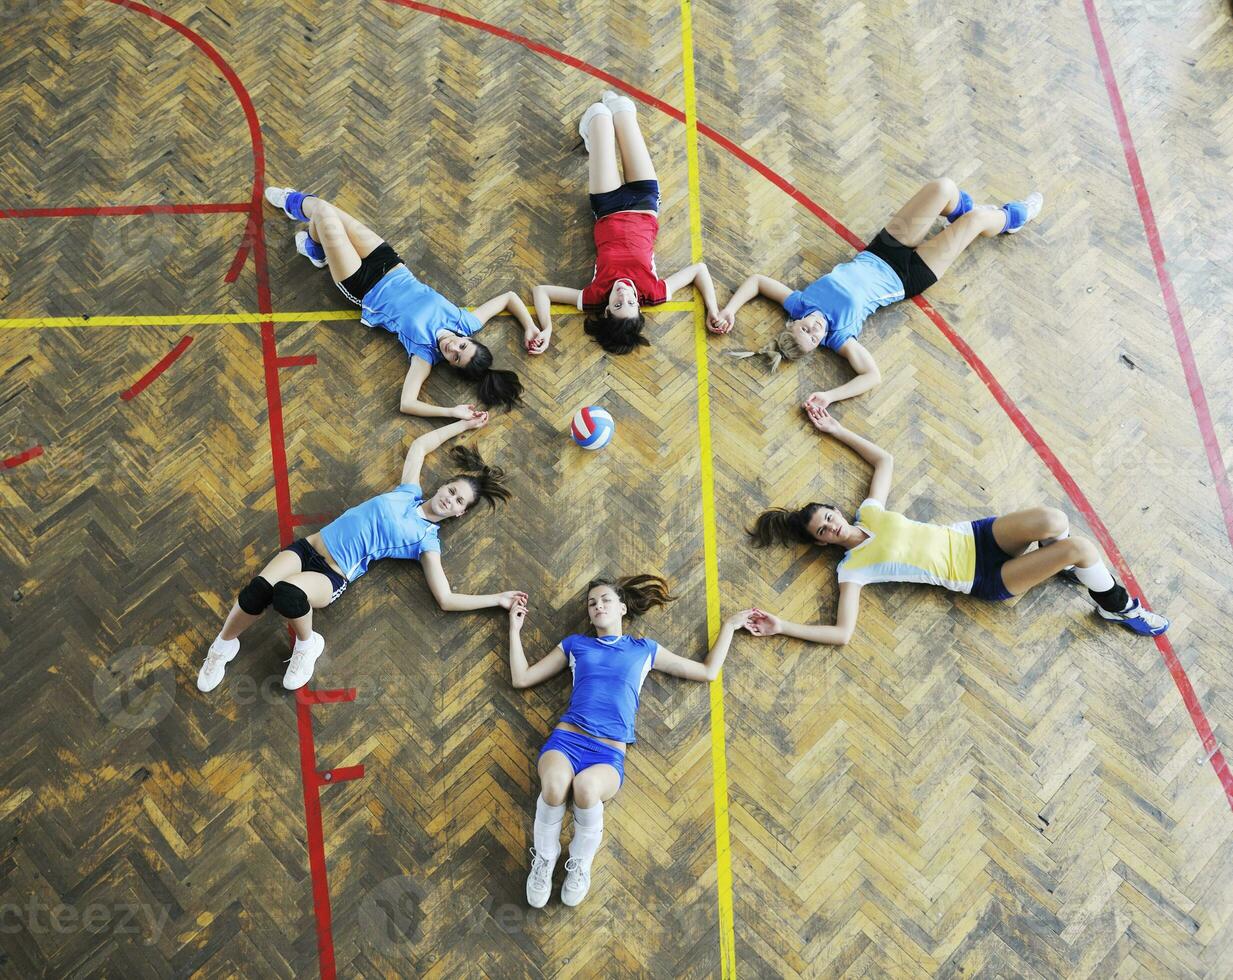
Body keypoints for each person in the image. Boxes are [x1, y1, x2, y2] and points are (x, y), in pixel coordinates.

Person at [743, 405, 1169, 644]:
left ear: (837, 511)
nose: (832, 527)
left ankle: (1058, 565)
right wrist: (782, 626)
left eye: (829, 517)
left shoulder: (868, 513)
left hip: (976, 534)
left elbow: (884, 460)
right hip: (982, 576)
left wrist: (836, 428)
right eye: (823, 530)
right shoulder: (851, 570)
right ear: (821, 544)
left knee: (1054, 519)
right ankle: (1117, 606)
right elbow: (842, 633)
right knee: (1080, 548)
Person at [197, 415, 527, 692]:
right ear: (442, 486)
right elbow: (420, 446)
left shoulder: (426, 540)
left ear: (458, 514)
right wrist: (462, 422)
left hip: (331, 575)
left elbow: (445, 597)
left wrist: (496, 599)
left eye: (459, 502)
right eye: (452, 490)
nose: (451, 499)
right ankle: (223, 646)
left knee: (287, 596)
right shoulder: (408, 491)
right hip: (309, 547)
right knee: (257, 591)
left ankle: (307, 644)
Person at [506, 576, 750, 907]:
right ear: (590, 616)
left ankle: (580, 862)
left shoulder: (644, 650)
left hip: (607, 752)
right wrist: (514, 630)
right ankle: (544, 860)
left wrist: (731, 627)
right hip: (566, 741)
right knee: (554, 786)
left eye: (604, 600)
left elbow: (707, 672)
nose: (598, 606)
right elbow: (521, 678)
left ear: (622, 608)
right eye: (592, 604)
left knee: (586, 791)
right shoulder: (576, 645)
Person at [715, 178, 1043, 411]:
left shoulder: (799, 303)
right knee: (976, 220)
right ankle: (1014, 217)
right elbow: (872, 375)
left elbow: (757, 282)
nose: (815, 331)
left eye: (805, 330)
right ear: (819, 345)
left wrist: (730, 309)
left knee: (942, 188)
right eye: (814, 339)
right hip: (909, 276)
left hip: (882, 251)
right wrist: (830, 396)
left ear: (793, 322)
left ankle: (963, 217)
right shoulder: (840, 337)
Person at [264, 185, 536, 415]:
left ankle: (291, 203)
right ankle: (314, 249)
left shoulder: (424, 355)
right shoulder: (466, 321)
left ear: (451, 365)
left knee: (323, 213)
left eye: (455, 357)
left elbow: (407, 403)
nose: (453, 346)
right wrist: (530, 327)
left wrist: (451, 412)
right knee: (325, 216)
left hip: (361, 285)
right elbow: (509, 298)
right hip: (389, 263)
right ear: (470, 338)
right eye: (463, 346)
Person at [530, 91, 722, 354]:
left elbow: (541, 291)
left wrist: (547, 327)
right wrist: (713, 308)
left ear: (607, 309)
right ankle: (604, 126)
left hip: (607, 204)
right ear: (639, 305)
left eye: (618, 305)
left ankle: (593, 135)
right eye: (631, 303)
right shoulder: (653, 293)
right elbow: (700, 270)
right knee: (622, 107)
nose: (624, 296)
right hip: (644, 201)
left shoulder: (594, 296)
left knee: (599, 116)